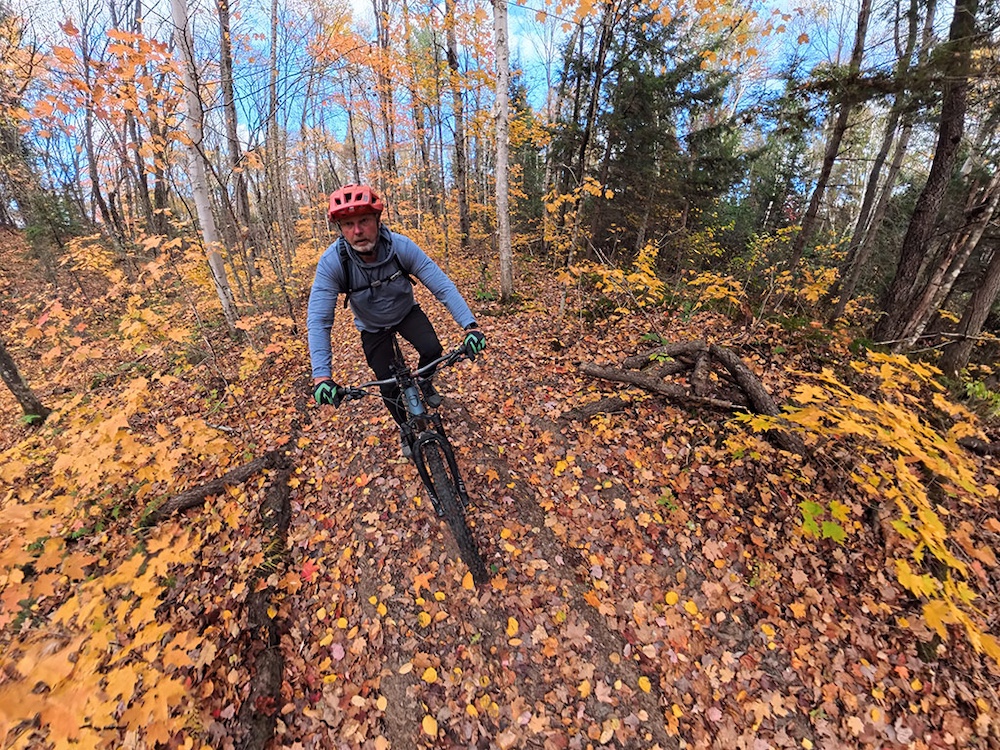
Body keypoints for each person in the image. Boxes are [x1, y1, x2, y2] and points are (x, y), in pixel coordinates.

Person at [307, 183, 486, 457]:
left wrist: (470, 326)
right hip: (372, 327)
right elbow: (319, 320)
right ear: (340, 229)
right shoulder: (333, 262)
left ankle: (424, 381)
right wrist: (322, 376)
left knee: (432, 350)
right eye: (348, 224)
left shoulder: (402, 247)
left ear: (377, 220)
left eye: (364, 220)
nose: (357, 231)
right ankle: (404, 426)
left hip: (405, 313)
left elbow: (442, 285)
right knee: (388, 383)